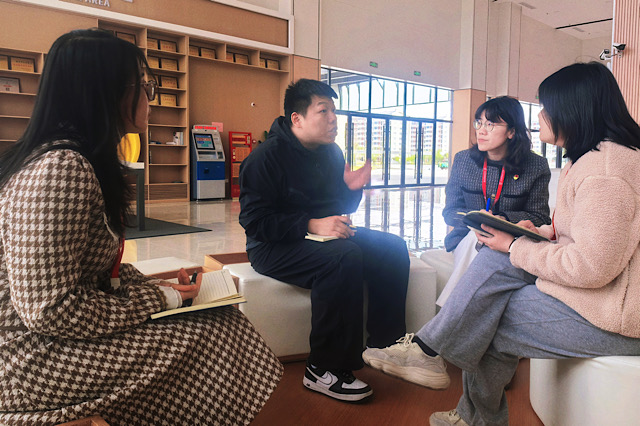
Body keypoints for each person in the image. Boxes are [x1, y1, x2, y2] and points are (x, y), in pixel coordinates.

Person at [0, 28, 282, 425]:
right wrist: (159, 299)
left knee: (218, 319)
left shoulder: (74, 159)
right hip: (26, 359)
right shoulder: (61, 169)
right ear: (105, 92)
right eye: (144, 87)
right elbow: (49, 310)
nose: (150, 98)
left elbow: (93, 272)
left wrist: (158, 287)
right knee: (210, 333)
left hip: (47, 340)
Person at [363, 61, 640, 426]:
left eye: (545, 107)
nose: (538, 116)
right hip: (601, 297)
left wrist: (515, 246)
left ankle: (445, 375)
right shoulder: (595, 159)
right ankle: (436, 363)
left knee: (489, 312)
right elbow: (593, 238)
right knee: (494, 266)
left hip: (615, 316)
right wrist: (540, 234)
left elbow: (591, 266)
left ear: (573, 110)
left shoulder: (604, 173)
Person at [239, 78, 410, 402]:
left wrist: (352, 189)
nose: (334, 119)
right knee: (342, 257)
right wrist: (310, 224)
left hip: (318, 237)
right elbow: (255, 222)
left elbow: (337, 207)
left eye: (334, 111)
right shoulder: (265, 158)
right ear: (297, 118)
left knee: (391, 248)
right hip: (272, 246)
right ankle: (323, 368)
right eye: (323, 111)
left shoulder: (331, 153)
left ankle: (384, 346)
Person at [438, 96, 551, 306]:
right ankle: (456, 311)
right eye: (479, 123)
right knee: (477, 239)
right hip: (467, 236)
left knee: (488, 244)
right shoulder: (464, 160)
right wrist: (475, 221)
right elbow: (450, 211)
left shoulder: (536, 166)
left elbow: (540, 217)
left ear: (511, 131)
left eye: (490, 124)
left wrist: (503, 219)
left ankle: (450, 312)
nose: (481, 131)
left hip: (511, 240)